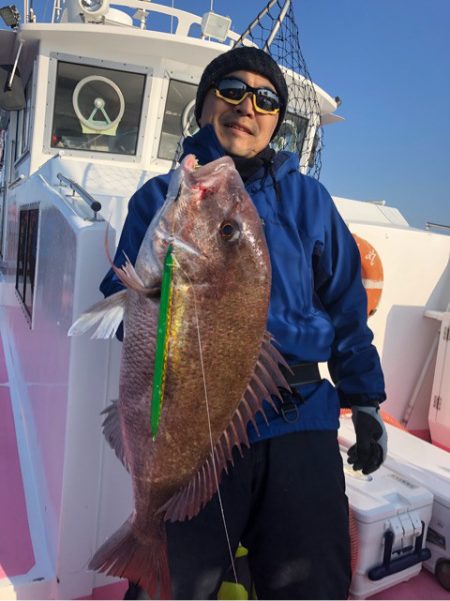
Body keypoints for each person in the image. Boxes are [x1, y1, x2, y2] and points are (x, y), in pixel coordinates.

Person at [100, 46, 388, 600]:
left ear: (278, 119)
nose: (246, 106)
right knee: (176, 585)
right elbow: (121, 305)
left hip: (299, 417)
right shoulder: (156, 201)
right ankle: (145, 545)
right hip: (196, 425)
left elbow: (347, 308)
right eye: (231, 90)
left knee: (314, 583)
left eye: (265, 98)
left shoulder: (310, 201)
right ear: (205, 105)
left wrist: (367, 400)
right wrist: (157, 299)